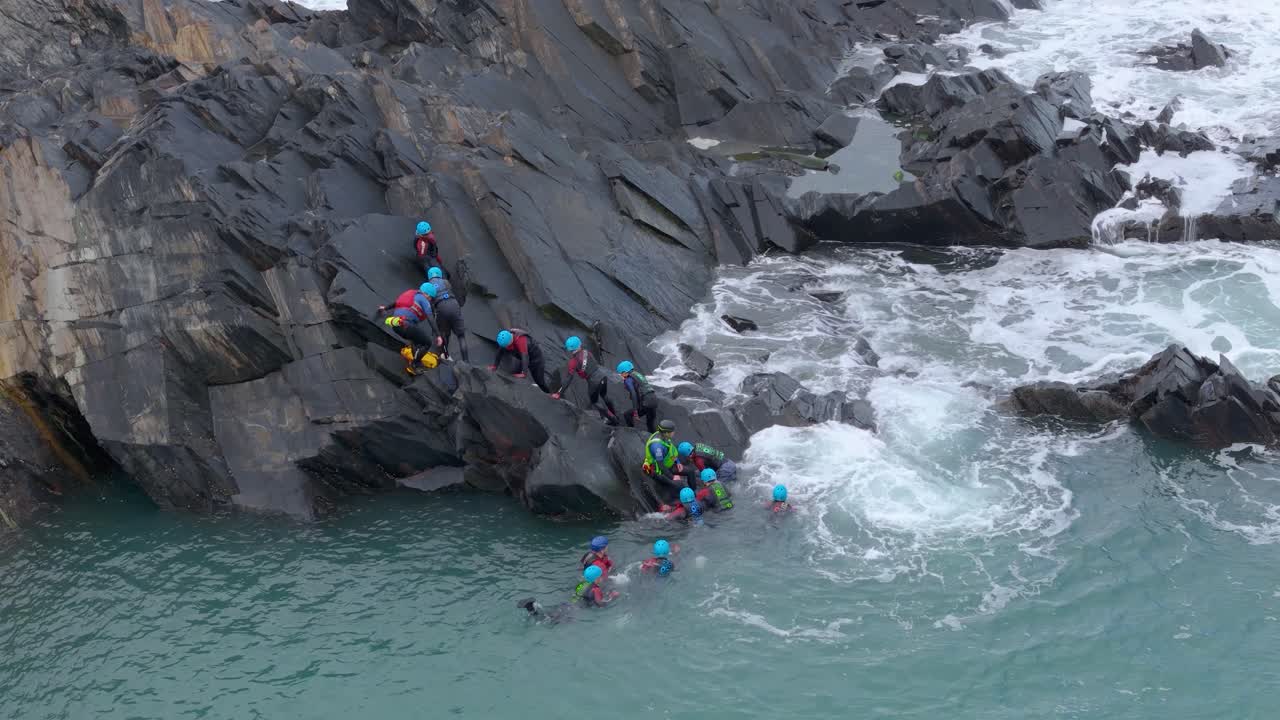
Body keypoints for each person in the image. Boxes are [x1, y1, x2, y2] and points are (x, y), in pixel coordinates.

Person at [552, 337, 620, 425]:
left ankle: (614, 420)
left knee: (595, 402)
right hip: (602, 376)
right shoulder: (587, 352)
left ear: (569, 349)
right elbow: (593, 364)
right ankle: (614, 414)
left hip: (593, 381)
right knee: (604, 395)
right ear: (579, 345)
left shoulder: (573, 362)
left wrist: (559, 393)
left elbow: (568, 378)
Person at [376, 287, 442, 374]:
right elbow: (430, 318)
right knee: (427, 343)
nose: (430, 300)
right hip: (406, 326)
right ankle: (414, 365)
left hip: (396, 325)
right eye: (430, 298)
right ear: (426, 294)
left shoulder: (411, 293)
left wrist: (385, 308)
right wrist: (438, 335)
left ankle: (415, 357)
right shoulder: (423, 299)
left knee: (415, 338)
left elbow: (397, 303)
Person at [421, 278, 469, 362]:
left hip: (441, 307)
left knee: (443, 334)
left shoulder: (428, 286)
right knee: (461, 336)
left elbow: (431, 306)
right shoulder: (445, 282)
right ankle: (466, 362)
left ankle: (446, 355)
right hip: (454, 304)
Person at [643, 419, 684, 493]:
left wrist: (677, 461)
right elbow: (660, 466)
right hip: (658, 471)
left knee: (690, 472)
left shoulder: (664, 437)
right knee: (679, 484)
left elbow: (670, 452)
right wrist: (672, 477)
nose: (674, 432)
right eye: (672, 431)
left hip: (667, 464)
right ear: (666, 433)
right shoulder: (657, 447)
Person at [616, 360, 659, 432]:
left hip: (646, 402)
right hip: (654, 399)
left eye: (621, 373)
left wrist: (635, 411)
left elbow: (634, 394)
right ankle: (654, 437)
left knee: (627, 415)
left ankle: (632, 433)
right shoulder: (637, 374)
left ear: (625, 372)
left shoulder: (628, 380)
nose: (621, 376)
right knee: (650, 423)